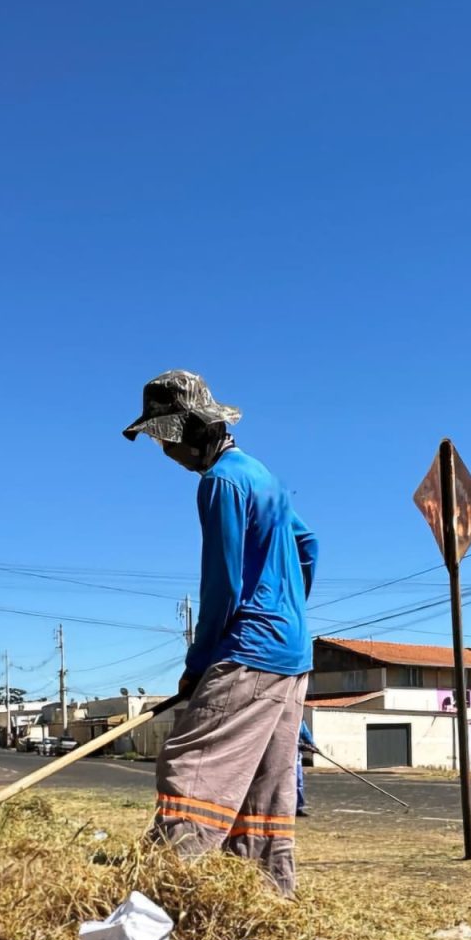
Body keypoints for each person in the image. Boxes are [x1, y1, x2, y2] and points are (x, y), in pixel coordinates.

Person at [124, 370, 318, 894]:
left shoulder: (221, 483)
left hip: (248, 652)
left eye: (166, 438)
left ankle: (160, 899)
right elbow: (308, 546)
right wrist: (288, 610)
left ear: (193, 428)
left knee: (191, 767)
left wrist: (199, 663)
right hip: (291, 657)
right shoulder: (263, 476)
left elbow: (223, 586)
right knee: (263, 792)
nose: (165, 453)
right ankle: (264, 904)